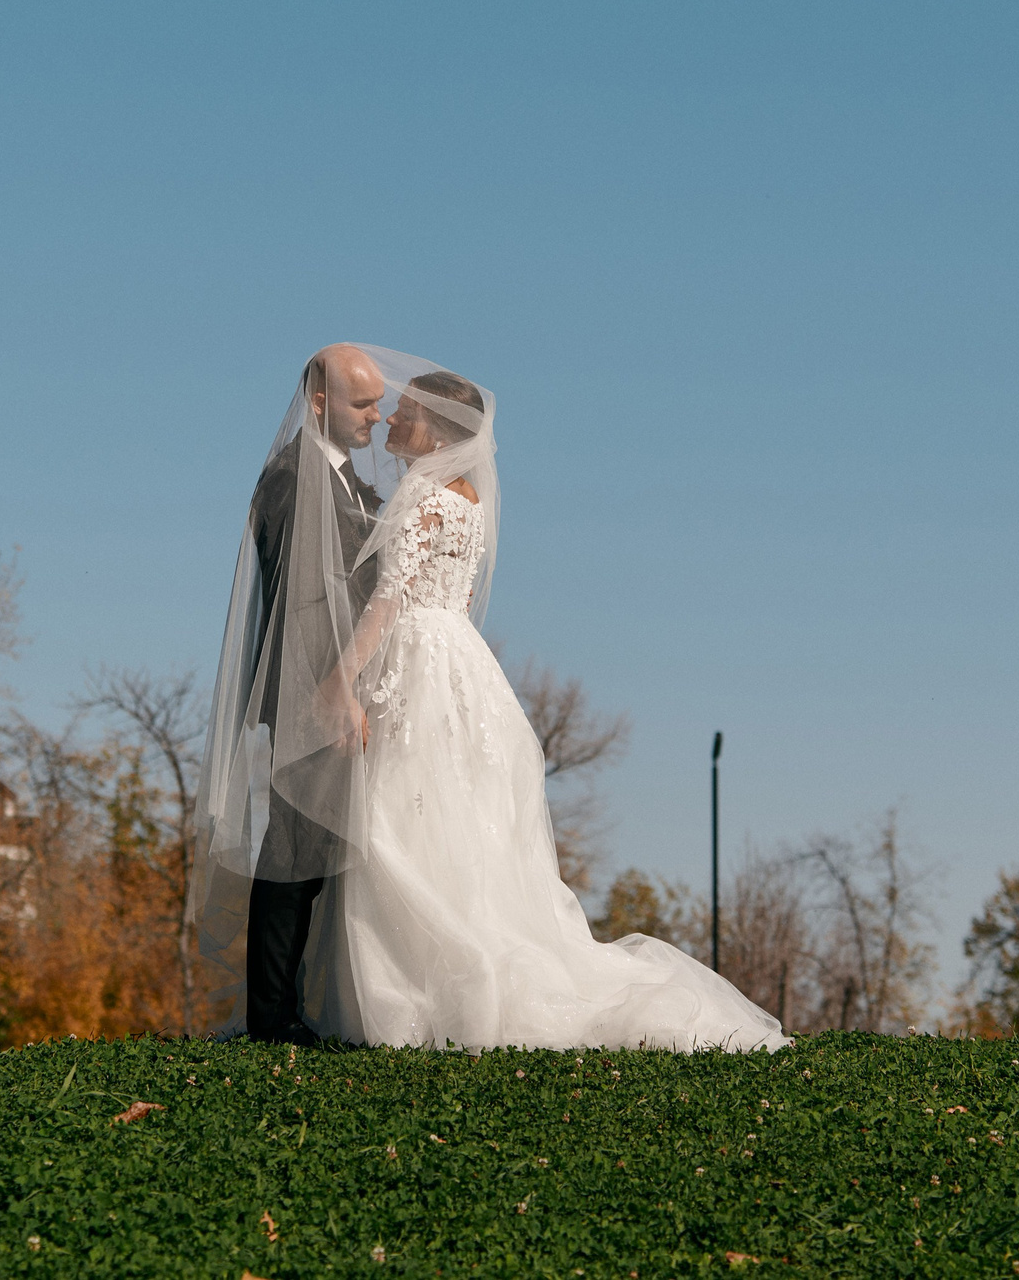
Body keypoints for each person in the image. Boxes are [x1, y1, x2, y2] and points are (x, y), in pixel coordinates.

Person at [195, 350, 784, 1052]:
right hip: (318, 687)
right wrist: (330, 686)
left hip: (380, 679)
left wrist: (356, 680)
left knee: (356, 845)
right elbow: (301, 601)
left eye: (393, 406)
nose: (381, 416)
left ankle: (332, 1005)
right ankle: (275, 1016)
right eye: (366, 405)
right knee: (297, 853)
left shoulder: (385, 489)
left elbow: (390, 589)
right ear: (320, 402)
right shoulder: (295, 477)